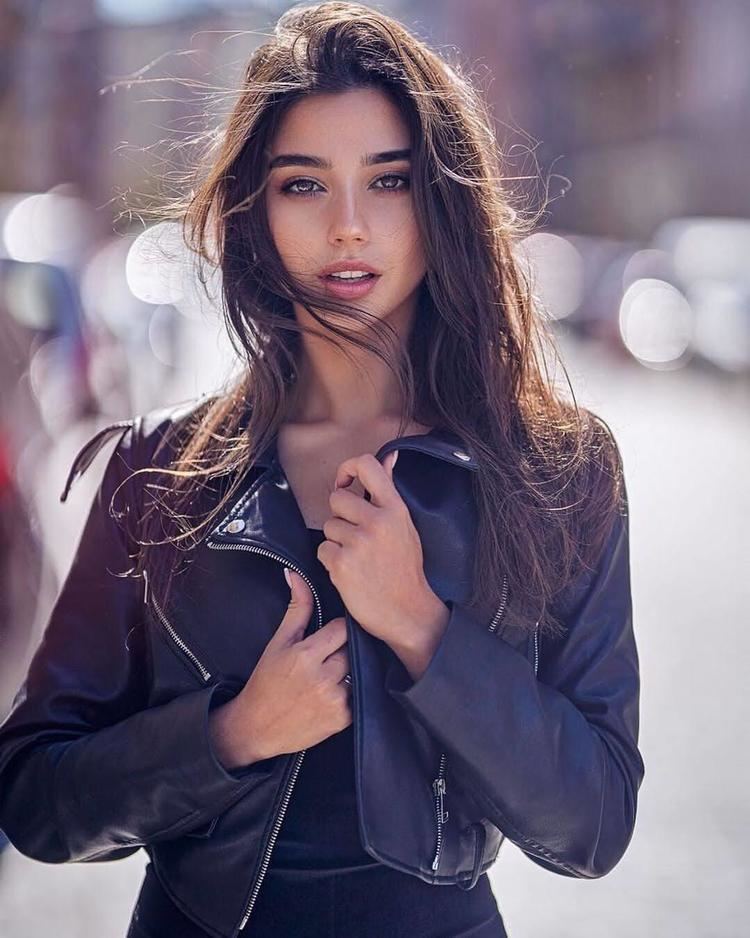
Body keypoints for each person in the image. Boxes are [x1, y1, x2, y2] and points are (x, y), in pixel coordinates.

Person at [0, 3, 644, 936]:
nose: (349, 227)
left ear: (441, 199)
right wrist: (232, 736)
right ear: (255, 210)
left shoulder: (558, 470)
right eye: (305, 185)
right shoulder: (160, 474)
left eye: (389, 181)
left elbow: (593, 824)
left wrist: (422, 628)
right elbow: (32, 796)